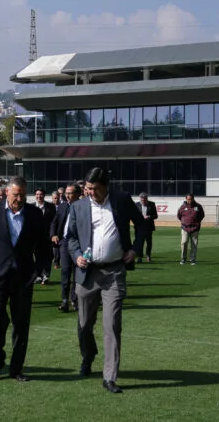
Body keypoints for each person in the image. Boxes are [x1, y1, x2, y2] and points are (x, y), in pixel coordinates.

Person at [67, 167, 147, 393]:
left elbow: (142, 225)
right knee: (84, 325)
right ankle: (88, 356)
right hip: (87, 273)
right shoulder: (78, 206)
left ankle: (110, 376)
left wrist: (135, 249)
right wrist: (77, 256)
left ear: (106, 186)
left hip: (114, 272)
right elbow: (71, 238)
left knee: (112, 324)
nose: (90, 192)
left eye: (95, 189)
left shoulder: (121, 200)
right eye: (88, 188)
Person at [0, 177, 48, 382]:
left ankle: (16, 368)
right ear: (7, 192)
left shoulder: (34, 213)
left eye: (23, 195)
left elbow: (44, 245)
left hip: (24, 277)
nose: (19, 198)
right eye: (16, 194)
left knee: (21, 324)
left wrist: (41, 270)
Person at [51, 183, 81, 312]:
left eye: (70, 193)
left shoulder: (84, 207)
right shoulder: (63, 206)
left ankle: (75, 299)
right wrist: (53, 234)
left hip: (79, 244)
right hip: (64, 242)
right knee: (65, 271)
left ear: (78, 194)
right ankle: (64, 300)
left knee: (77, 273)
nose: (67, 196)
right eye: (66, 193)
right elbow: (54, 222)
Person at [33, 188, 57, 283]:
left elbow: (54, 222)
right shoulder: (32, 207)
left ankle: (46, 275)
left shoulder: (51, 207)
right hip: (35, 237)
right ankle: (38, 275)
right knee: (37, 256)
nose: (39, 196)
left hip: (47, 237)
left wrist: (53, 234)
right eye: (37, 194)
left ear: (44, 195)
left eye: (41, 194)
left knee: (48, 256)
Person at [177, 194, 204, 265]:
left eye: (191, 199)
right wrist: (184, 222)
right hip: (185, 228)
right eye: (188, 199)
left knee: (194, 244)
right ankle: (183, 259)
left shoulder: (198, 206)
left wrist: (197, 223)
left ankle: (193, 259)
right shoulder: (182, 207)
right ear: (186, 199)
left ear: (193, 198)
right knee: (184, 242)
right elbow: (179, 216)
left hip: (195, 228)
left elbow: (202, 215)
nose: (190, 200)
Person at [135, 192, 158, 263]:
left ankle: (148, 255)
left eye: (144, 200)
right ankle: (139, 257)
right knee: (140, 242)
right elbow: (134, 216)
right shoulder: (136, 205)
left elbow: (155, 216)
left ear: (147, 199)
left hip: (148, 227)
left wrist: (149, 217)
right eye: (142, 200)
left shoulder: (152, 204)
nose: (143, 201)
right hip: (139, 227)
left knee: (149, 242)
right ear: (140, 199)